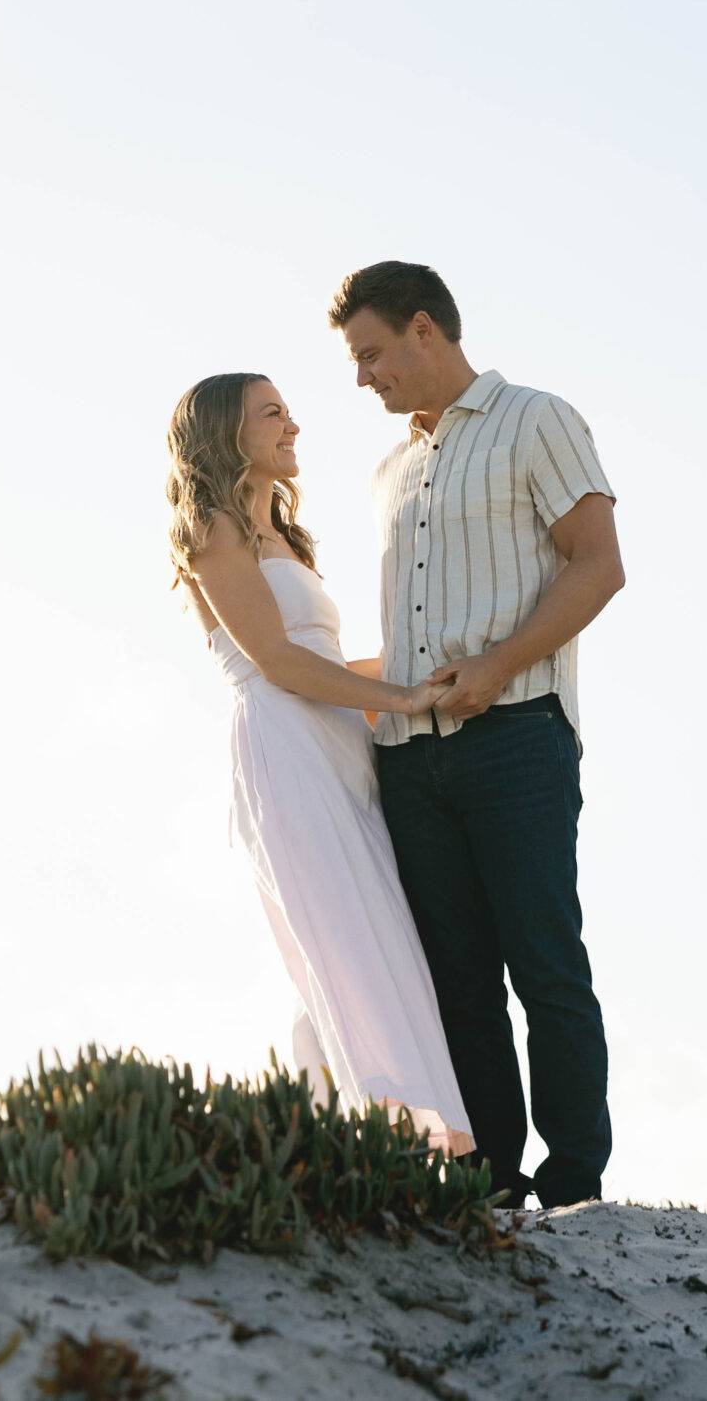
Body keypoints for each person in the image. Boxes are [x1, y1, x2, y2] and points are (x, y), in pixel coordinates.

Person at [330, 261, 625, 1209]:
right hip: (410, 761)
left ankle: (574, 1182)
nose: (364, 377)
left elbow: (599, 565)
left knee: (546, 964)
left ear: (426, 329)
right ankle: (491, 1182)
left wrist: (495, 665)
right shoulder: (390, 470)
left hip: (517, 739)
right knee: (457, 984)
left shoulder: (537, 419)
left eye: (372, 354)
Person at [168, 372, 474, 1156]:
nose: (292, 424)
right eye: (272, 413)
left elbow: (326, 659)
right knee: (335, 942)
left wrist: (428, 669)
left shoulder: (287, 538)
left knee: (381, 937)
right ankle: (376, 1134)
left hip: (345, 754)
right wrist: (405, 699)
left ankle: (367, 1137)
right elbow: (276, 660)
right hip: (287, 751)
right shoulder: (211, 528)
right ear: (227, 433)